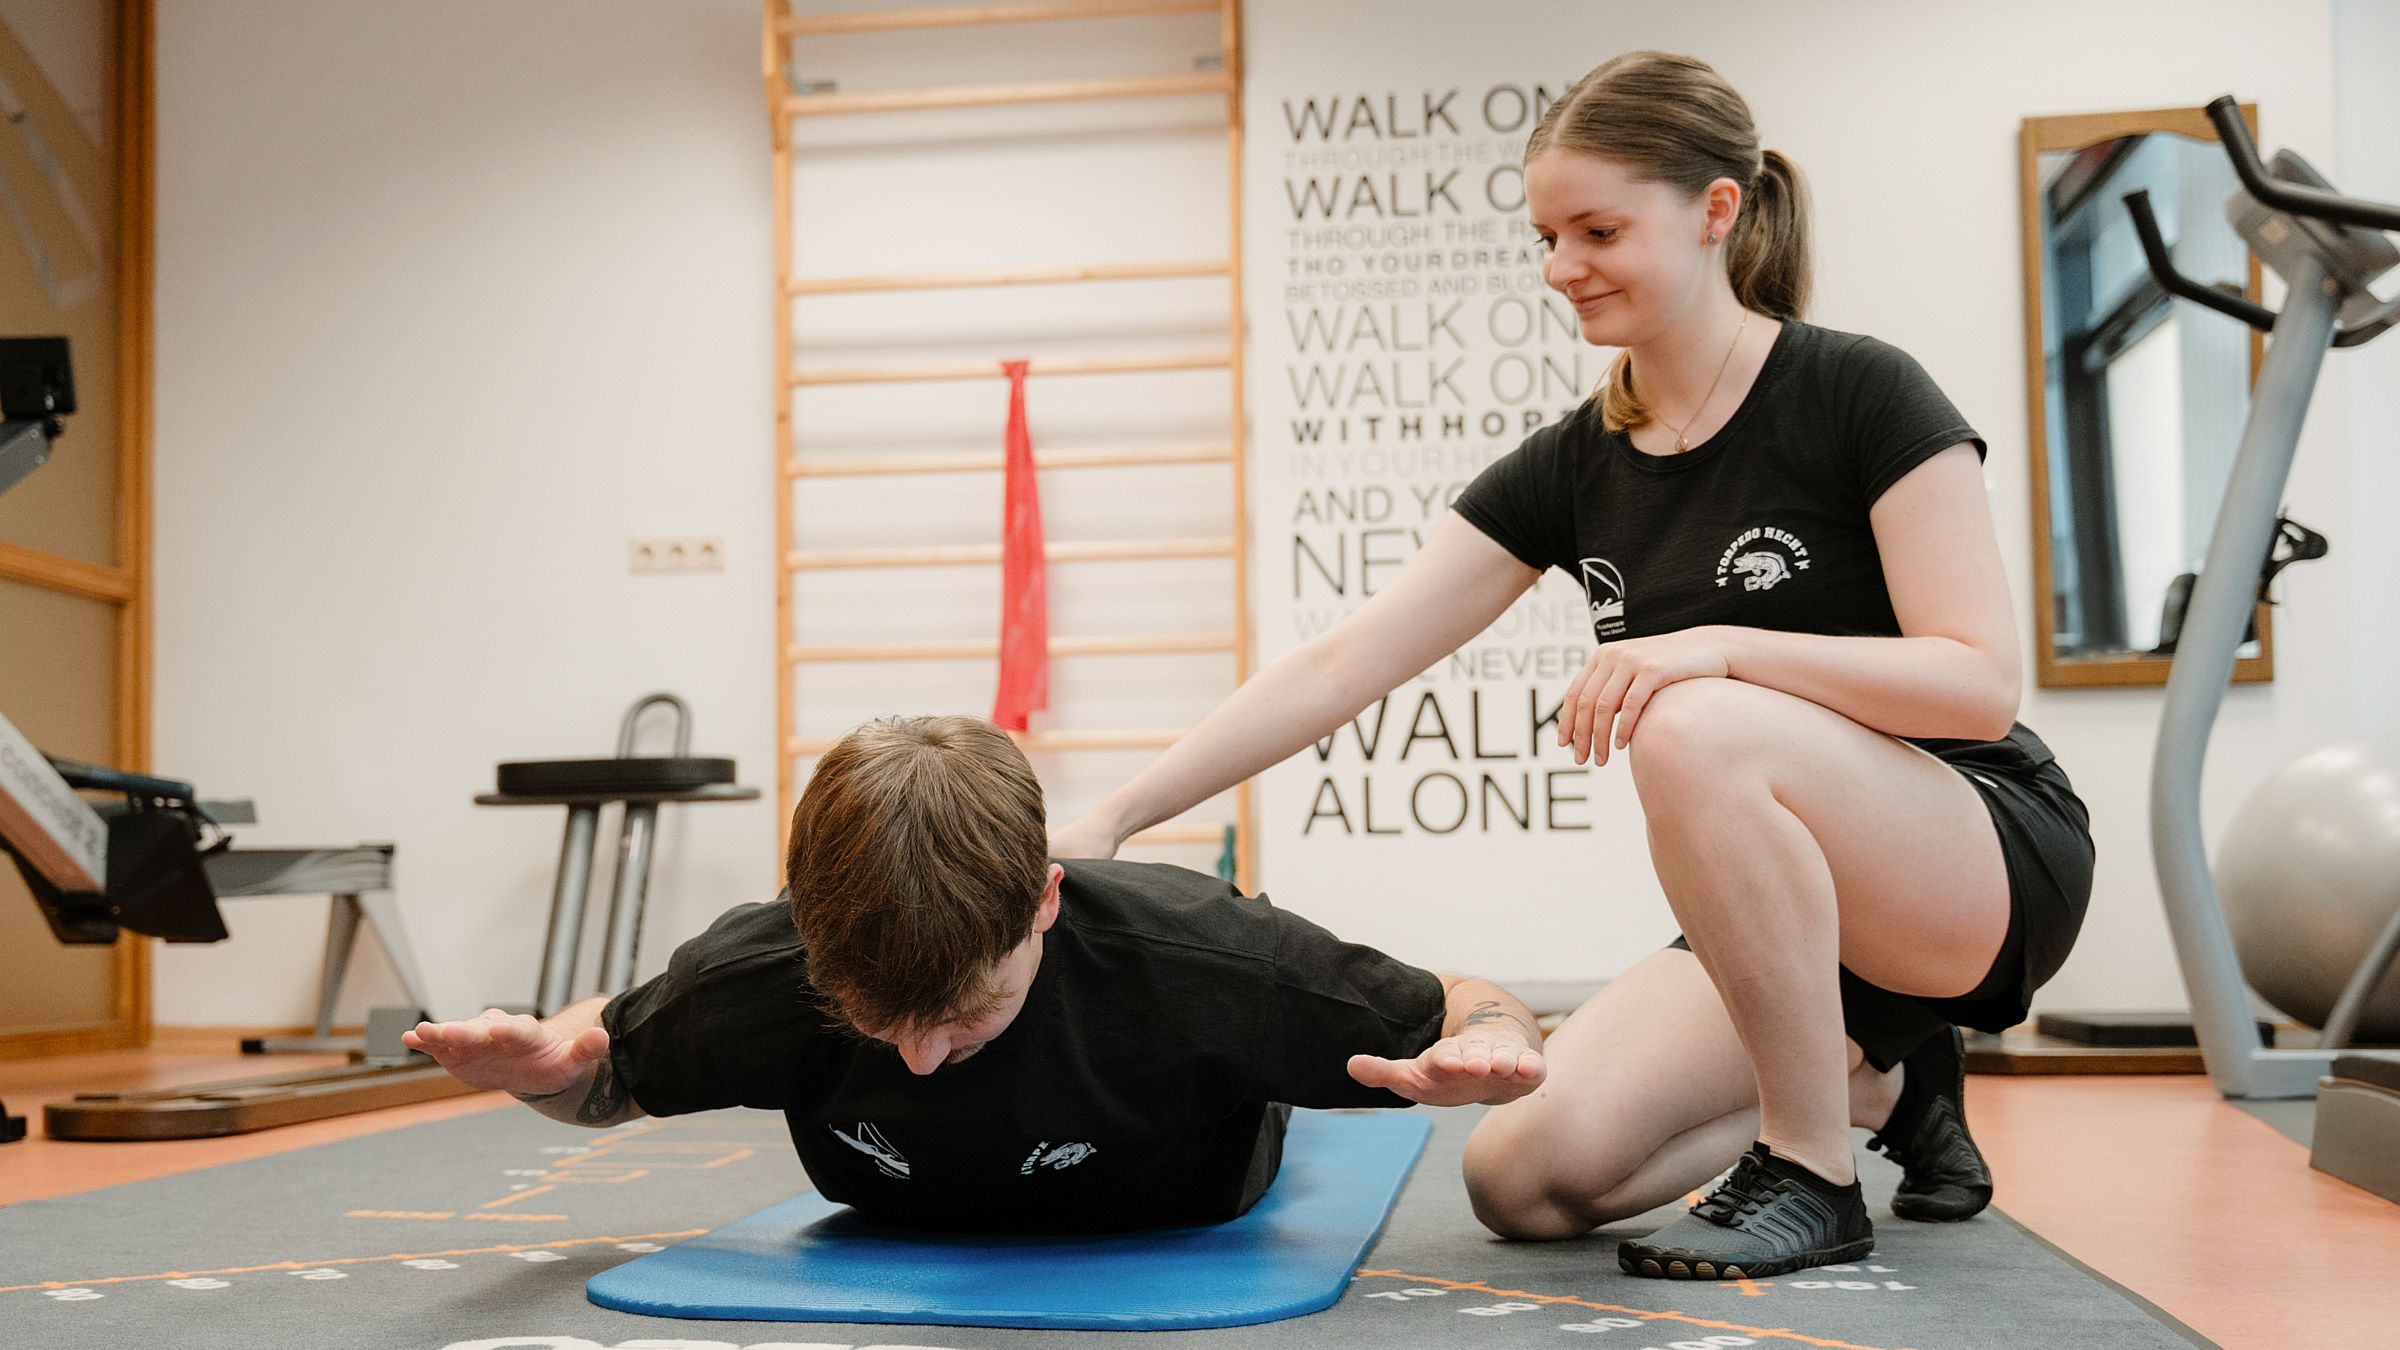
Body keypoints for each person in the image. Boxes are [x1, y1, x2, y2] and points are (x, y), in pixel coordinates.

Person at [1048, 51, 2094, 1279]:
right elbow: (1345, 662)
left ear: (1718, 210)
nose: (1561, 268)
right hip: (1792, 914)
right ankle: (1879, 1086)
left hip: (1974, 854)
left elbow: (1978, 682)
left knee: (1695, 720)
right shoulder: (1574, 463)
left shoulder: (1857, 390)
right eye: (1547, 235)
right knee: (1522, 1181)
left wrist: (1714, 645)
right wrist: (1118, 812)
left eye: (1599, 229)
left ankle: (1811, 1167)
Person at [403, 714, 1546, 1235]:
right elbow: (610, 1067)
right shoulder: (772, 963)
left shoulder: (1205, 961)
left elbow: (1460, 1000)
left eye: (965, 1013)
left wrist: (1494, 1046)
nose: (915, 1058)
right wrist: (547, 1067)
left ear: (1046, 898)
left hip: (1174, 1200)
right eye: (873, 1018)